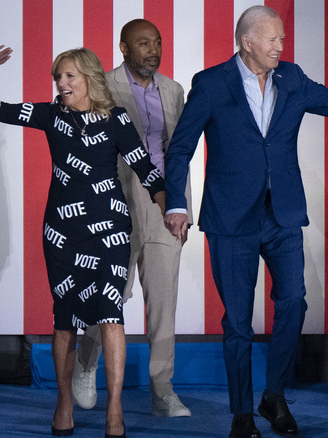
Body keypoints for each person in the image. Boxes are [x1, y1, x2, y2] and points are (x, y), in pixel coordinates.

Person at [162, 6, 328, 438]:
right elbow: (180, 149)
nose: (280, 45)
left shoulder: (291, 78)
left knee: (293, 302)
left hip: (282, 215)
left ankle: (273, 396)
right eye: (272, 39)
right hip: (231, 219)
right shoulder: (212, 83)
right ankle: (241, 413)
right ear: (247, 42)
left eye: (282, 38)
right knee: (237, 321)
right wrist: (176, 204)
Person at [0, 45, 167, 438]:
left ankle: (115, 410)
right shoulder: (51, 115)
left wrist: (169, 209)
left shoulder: (116, 120)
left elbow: (146, 169)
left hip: (110, 230)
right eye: (58, 77)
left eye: (68, 76)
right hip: (62, 232)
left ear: (88, 78)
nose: (61, 84)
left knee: (110, 315)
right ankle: (64, 402)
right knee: (65, 322)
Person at [71, 19, 194, 418]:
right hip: (115, 204)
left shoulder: (174, 91)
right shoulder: (102, 86)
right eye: (143, 43)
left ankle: (163, 390)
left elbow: (180, 154)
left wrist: (181, 207)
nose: (153, 50)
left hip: (162, 206)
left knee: (163, 304)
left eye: (157, 43)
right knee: (108, 295)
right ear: (124, 48)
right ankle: (87, 365)